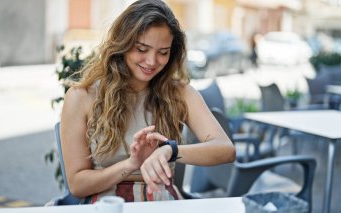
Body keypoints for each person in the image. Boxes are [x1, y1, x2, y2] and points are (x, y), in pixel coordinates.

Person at [60, 0, 235, 203]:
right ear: (122, 44)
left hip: (162, 201)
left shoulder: (180, 93)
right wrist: (131, 164)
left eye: (163, 52)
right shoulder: (81, 97)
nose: (152, 61)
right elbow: (77, 184)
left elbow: (225, 149)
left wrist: (170, 150)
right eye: (142, 49)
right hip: (107, 203)